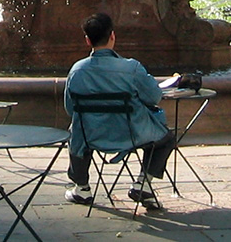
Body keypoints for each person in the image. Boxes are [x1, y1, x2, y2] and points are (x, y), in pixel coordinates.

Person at [63, 13, 175, 211]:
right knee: (166, 137)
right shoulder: (131, 68)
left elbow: (70, 109)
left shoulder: (76, 70)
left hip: (90, 136)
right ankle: (143, 184)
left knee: (76, 129)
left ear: (87, 40)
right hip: (133, 134)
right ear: (113, 36)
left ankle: (81, 187)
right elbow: (154, 97)